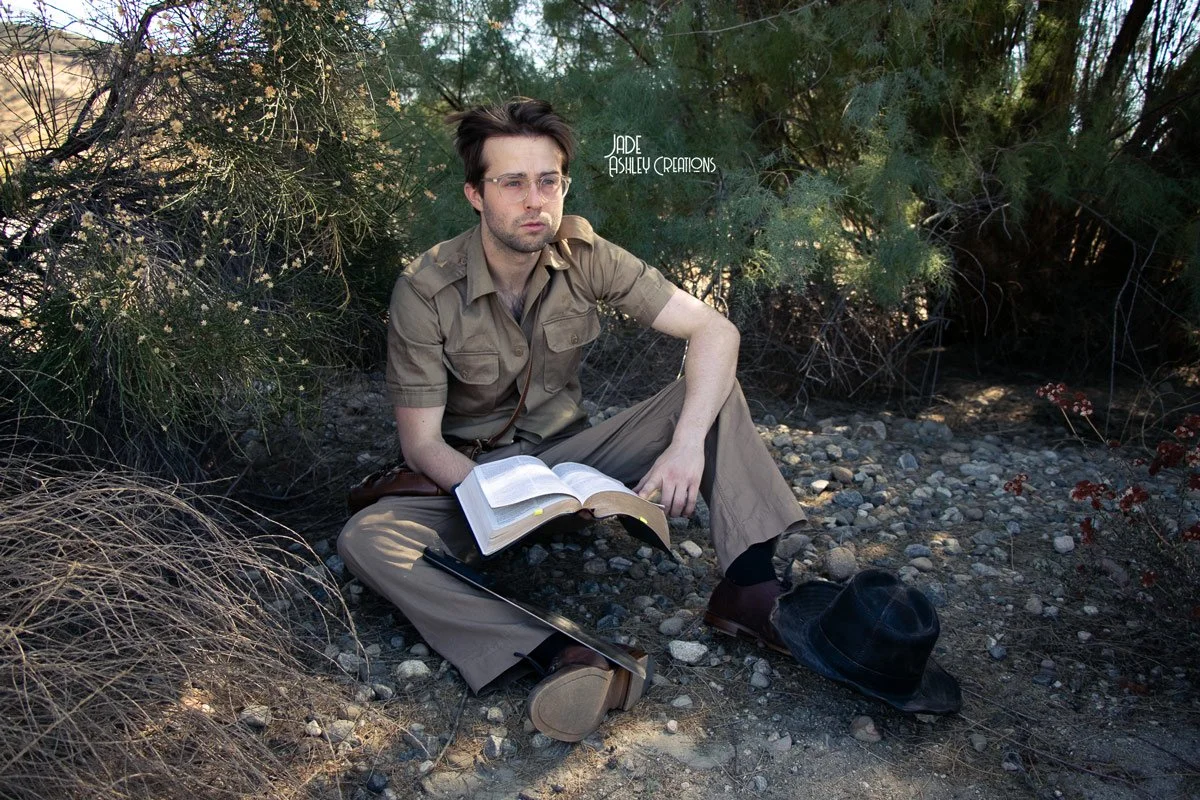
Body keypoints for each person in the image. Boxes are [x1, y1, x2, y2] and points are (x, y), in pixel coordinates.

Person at [338, 98, 806, 742]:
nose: (535, 200)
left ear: (565, 185)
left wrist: (687, 445)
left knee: (713, 392)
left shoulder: (584, 253)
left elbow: (714, 331)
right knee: (365, 539)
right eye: (512, 182)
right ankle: (559, 653)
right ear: (475, 193)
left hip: (571, 466)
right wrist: (494, 496)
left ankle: (751, 594)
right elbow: (421, 445)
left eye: (548, 180)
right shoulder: (425, 289)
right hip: (474, 484)